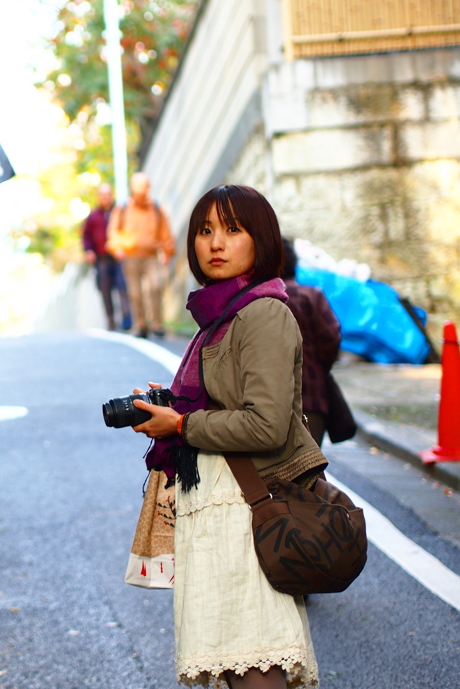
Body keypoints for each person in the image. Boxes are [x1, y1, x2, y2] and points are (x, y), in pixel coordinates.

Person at [130, 184, 326, 689]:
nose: (216, 243)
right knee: (236, 664)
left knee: (255, 664)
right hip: (219, 510)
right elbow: (223, 399)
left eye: (233, 229)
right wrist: (171, 405)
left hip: (247, 512)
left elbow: (266, 423)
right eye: (205, 230)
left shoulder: (262, 312)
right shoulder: (218, 314)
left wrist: (180, 424)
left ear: (260, 240)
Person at [282, 238, 342, 446]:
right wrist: (315, 366)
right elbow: (331, 339)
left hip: (266, 405)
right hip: (312, 398)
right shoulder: (312, 296)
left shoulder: (258, 300)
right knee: (308, 470)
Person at [107, 172, 175, 338]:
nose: (140, 190)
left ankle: (157, 324)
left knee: (155, 288)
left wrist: (167, 251)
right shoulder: (122, 208)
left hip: (151, 256)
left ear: (148, 188)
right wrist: (117, 249)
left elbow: (165, 231)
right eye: (137, 187)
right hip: (130, 256)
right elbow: (113, 231)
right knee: (134, 293)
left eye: (143, 187)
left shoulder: (156, 208)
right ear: (132, 188)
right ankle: (140, 325)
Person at [82, 182, 131, 330]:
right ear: (98, 197)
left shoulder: (120, 212)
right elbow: (86, 236)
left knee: (123, 287)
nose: (105, 198)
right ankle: (110, 319)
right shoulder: (93, 216)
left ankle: (127, 318)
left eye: (108, 195)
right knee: (105, 289)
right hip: (101, 259)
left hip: (118, 257)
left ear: (112, 196)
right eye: (102, 195)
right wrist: (88, 251)